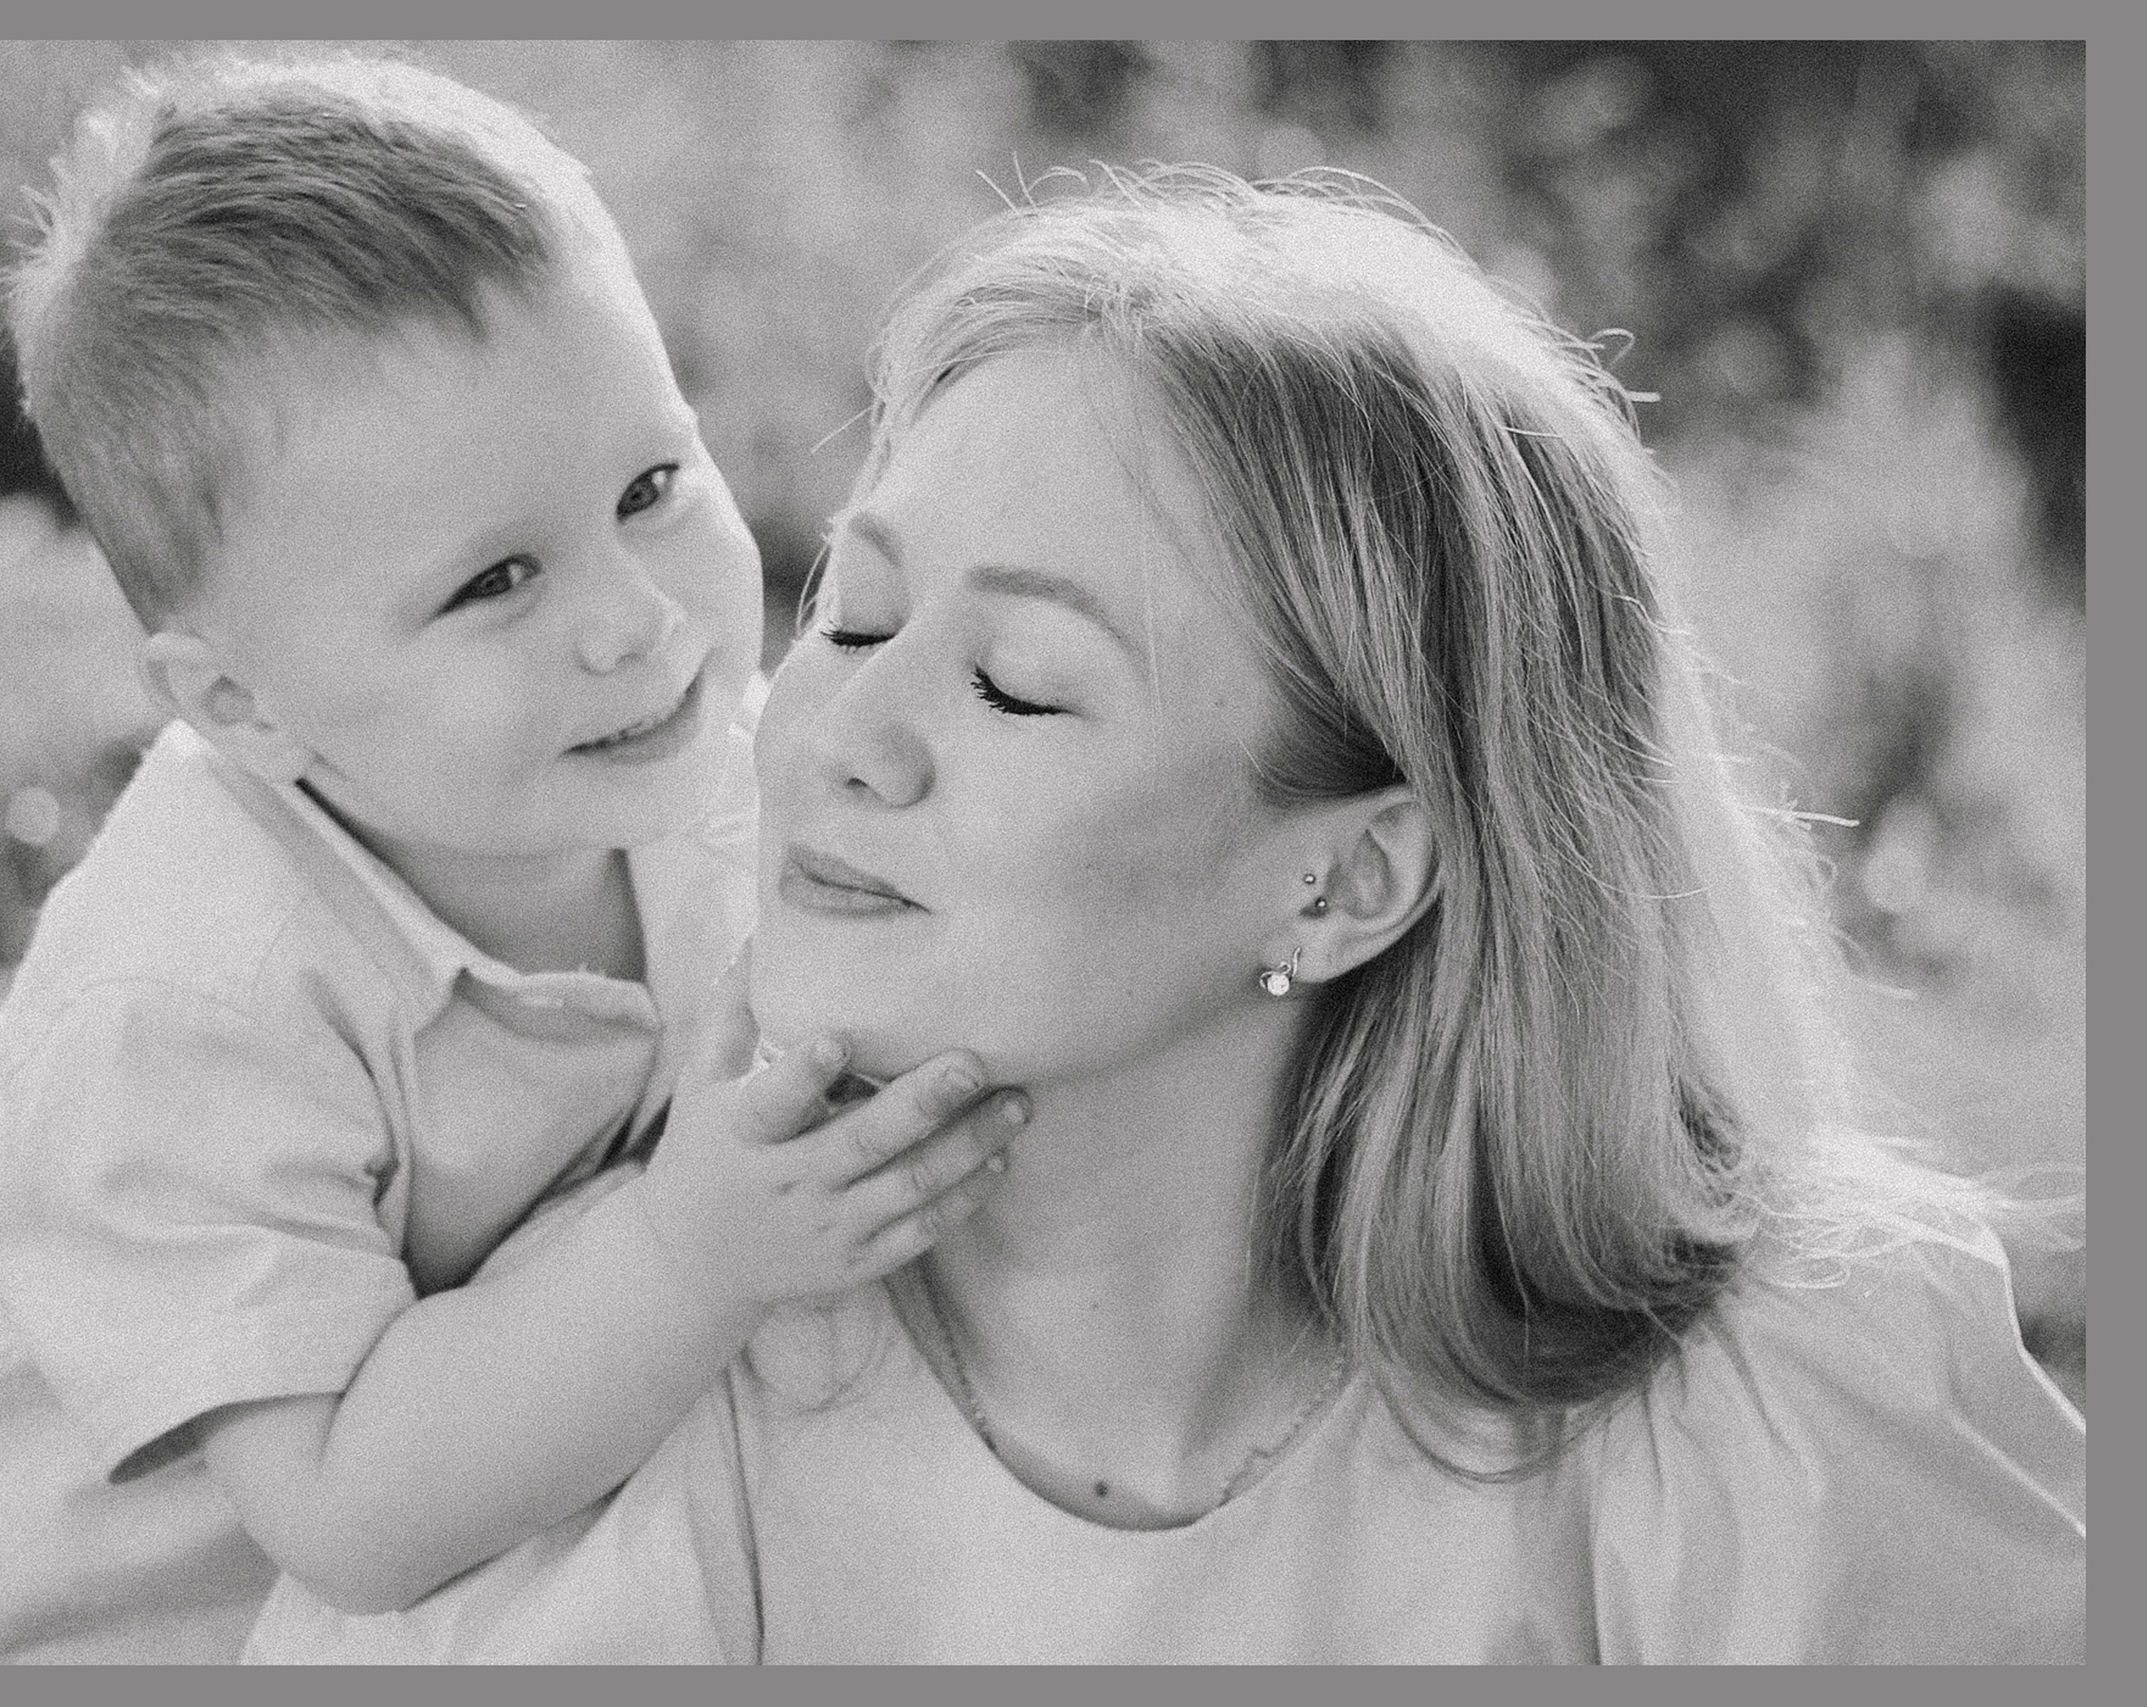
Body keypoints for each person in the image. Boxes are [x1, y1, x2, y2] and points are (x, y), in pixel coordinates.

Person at [245, 167, 2087, 1664]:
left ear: (1348, 878)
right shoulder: (573, 1443)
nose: (840, 743)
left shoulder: (1776, 1442)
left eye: (1023, 685)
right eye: (858, 617)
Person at [0, 53, 1026, 1665]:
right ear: (243, 705)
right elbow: (353, 1517)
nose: (637, 619)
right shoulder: (189, 1003)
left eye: (652, 487)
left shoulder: (681, 784)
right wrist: (688, 1252)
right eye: (495, 581)